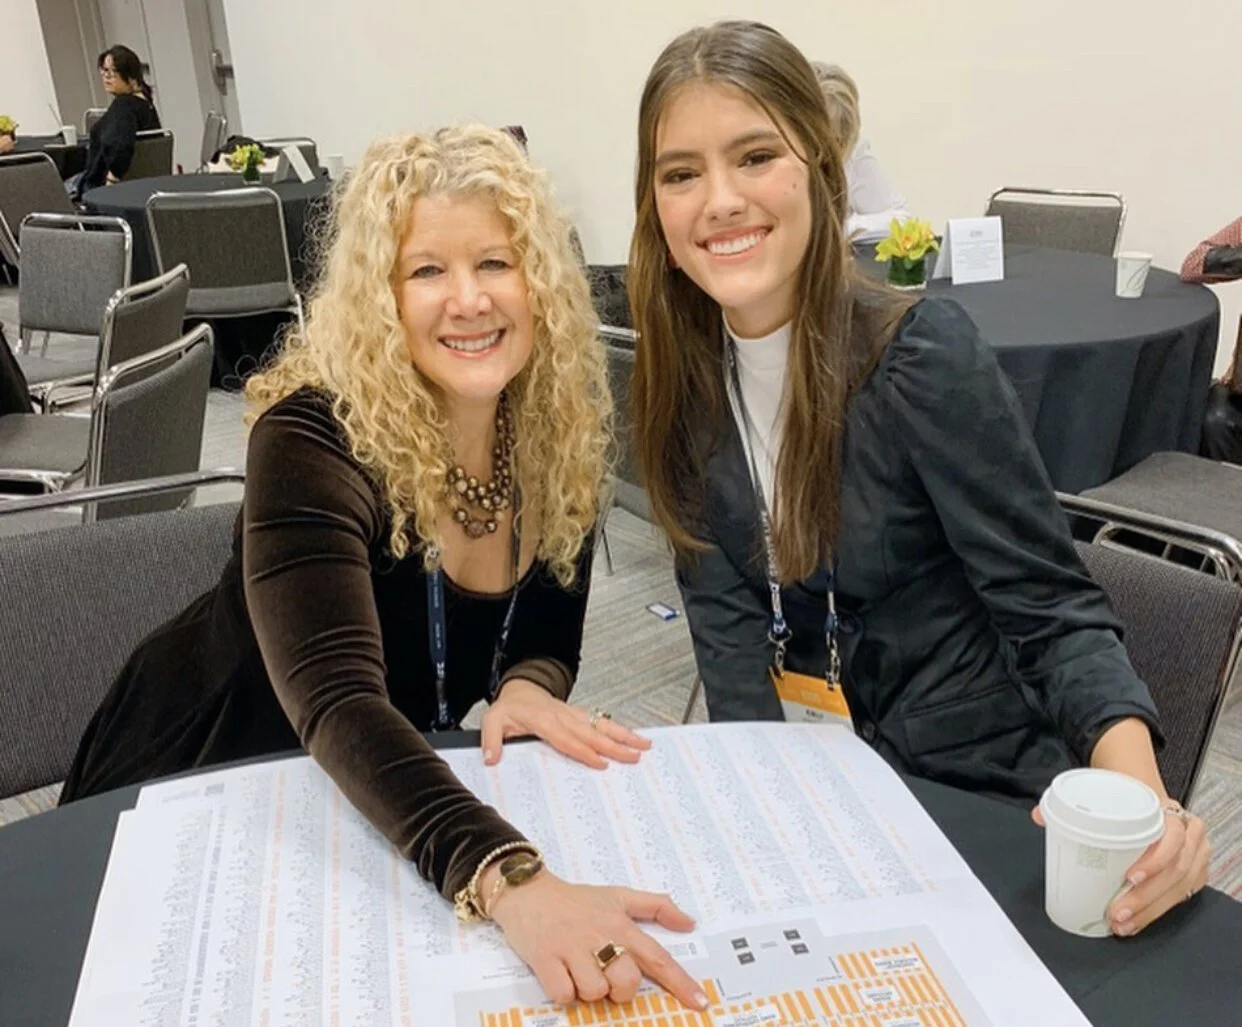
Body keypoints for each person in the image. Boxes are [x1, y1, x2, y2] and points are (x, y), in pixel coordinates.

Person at [61, 125, 706, 1012]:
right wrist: (511, 878)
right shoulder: (310, 437)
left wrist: (524, 684)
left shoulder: (558, 428)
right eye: (426, 271)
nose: (469, 300)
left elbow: (550, 631)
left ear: (542, 285)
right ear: (380, 297)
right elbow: (337, 703)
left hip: (385, 805)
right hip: (217, 773)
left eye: (496, 262)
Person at [628, 20, 1209, 938]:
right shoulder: (679, 393)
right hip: (816, 808)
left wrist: (1146, 806)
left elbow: (1051, 607)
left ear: (819, 170)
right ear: (653, 208)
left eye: (754, 156)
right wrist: (762, 818)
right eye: (681, 172)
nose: (721, 199)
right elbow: (731, 651)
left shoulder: (920, 355)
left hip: (974, 797)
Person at [810, 61, 909, 241]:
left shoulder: (854, 149)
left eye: (838, 140)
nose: (829, 150)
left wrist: (842, 227)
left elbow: (900, 220)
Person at [69, 45, 160, 198]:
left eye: (110, 72)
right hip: (143, 187)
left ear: (130, 77)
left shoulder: (123, 106)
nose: (105, 77)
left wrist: (111, 182)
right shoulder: (146, 104)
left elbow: (119, 146)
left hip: (100, 189)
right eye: (103, 71)